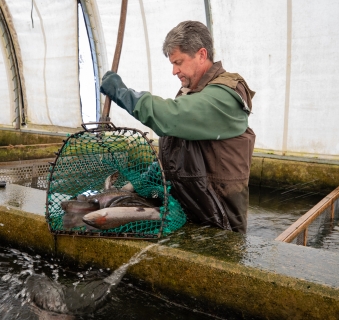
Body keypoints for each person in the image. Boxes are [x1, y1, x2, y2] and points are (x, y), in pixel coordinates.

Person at [100, 21, 255, 233]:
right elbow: (174, 154)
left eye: (179, 62)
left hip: (221, 223)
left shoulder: (225, 96)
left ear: (201, 55)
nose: (174, 71)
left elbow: (169, 117)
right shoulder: (191, 93)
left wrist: (123, 94)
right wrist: (138, 184)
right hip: (189, 213)